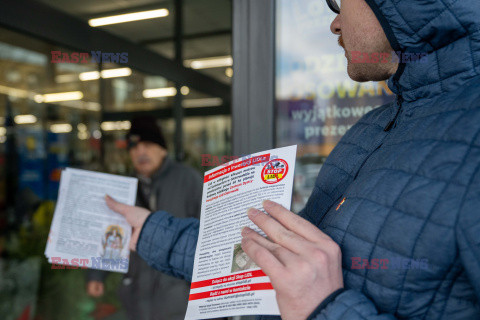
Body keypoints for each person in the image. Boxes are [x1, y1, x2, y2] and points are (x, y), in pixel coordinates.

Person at [104, 0, 480, 319]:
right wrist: (151, 231)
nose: (334, 23)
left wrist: (325, 309)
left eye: (338, 3)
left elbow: (312, 294)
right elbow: (275, 258)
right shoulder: (371, 130)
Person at [86, 116, 203, 320]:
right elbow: (110, 232)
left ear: (163, 149)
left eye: (148, 145)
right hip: (135, 299)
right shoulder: (123, 187)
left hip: (178, 300)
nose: (140, 152)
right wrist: (97, 274)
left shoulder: (189, 180)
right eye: (133, 147)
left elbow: (206, 234)